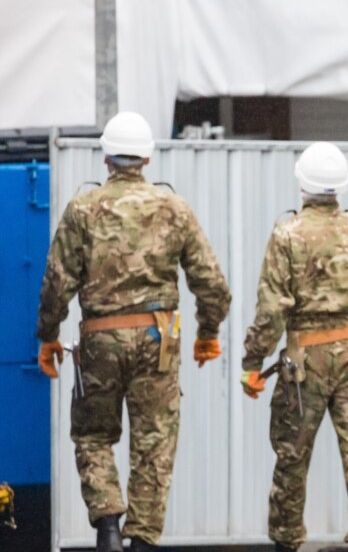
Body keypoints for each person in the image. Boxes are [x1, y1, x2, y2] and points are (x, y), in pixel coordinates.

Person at [36, 112, 231, 552]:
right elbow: (213, 285)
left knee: (92, 434)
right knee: (154, 441)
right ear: (147, 157)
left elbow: (56, 280)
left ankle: (107, 526)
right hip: (157, 341)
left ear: (105, 158)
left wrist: (48, 335)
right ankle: (142, 541)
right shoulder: (174, 209)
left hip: (100, 340)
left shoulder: (83, 210)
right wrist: (207, 333)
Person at [239, 142, 348, 552]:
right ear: (341, 187)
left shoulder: (287, 235)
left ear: (302, 185)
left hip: (304, 362)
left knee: (292, 457)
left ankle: (287, 542)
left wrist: (252, 362)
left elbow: (271, 309)